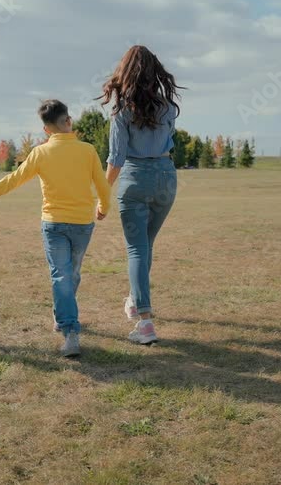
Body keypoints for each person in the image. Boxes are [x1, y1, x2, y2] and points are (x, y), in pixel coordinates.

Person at [0, 100, 110, 357]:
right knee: (67, 275)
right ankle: (70, 330)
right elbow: (102, 185)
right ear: (69, 121)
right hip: (80, 224)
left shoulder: (41, 153)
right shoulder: (87, 150)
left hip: (55, 223)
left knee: (66, 275)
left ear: (45, 130)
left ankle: (62, 315)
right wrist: (104, 207)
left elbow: (13, 180)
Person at [99, 45, 183, 345]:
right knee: (145, 245)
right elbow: (169, 142)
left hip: (136, 180)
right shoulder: (168, 107)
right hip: (166, 179)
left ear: (125, 73)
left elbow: (116, 158)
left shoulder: (121, 111)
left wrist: (102, 195)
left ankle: (145, 322)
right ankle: (135, 300)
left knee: (136, 249)